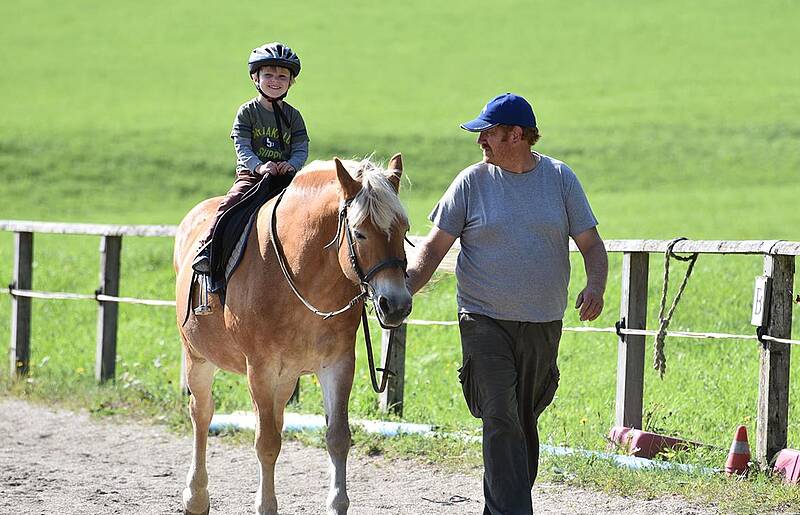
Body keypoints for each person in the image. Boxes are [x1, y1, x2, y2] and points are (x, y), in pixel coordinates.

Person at [406, 93, 608, 514]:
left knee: (522, 419)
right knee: (499, 415)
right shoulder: (470, 183)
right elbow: (433, 248)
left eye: (488, 133)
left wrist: (596, 286)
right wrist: (402, 289)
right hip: (483, 319)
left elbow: (590, 242)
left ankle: (503, 507)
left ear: (516, 135)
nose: (480, 141)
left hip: (542, 322)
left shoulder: (559, 178)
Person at [192, 42, 309, 273]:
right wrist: (259, 167)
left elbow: (300, 147)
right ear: (256, 78)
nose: (275, 81)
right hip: (253, 176)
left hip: (286, 178)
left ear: (290, 82)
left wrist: (292, 165)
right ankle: (208, 246)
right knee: (231, 202)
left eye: (282, 76)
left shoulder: (294, 116)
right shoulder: (247, 112)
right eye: (268, 75)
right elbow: (242, 146)